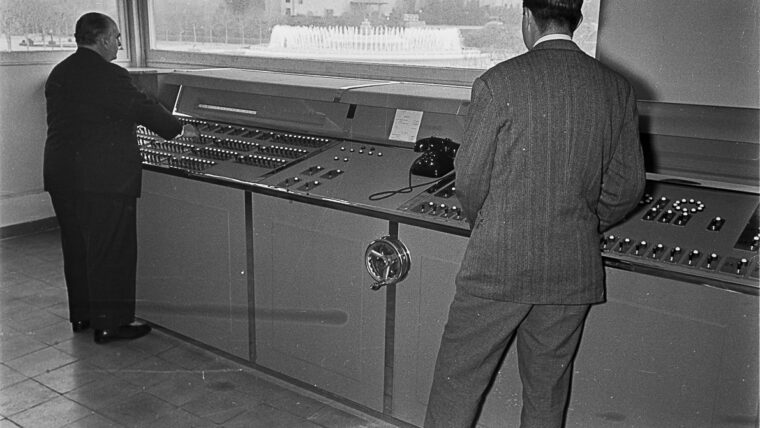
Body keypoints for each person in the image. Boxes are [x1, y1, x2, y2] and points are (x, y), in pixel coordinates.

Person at [424, 0, 646, 426]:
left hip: (496, 265)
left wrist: (492, 226)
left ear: (527, 18)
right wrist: (581, 222)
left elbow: (469, 180)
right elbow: (627, 187)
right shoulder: (616, 88)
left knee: (457, 383)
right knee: (546, 393)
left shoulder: (496, 83)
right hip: (571, 266)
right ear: (578, 20)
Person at [43, 12, 198, 344]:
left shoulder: (60, 72)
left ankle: (83, 316)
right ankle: (110, 325)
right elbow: (144, 109)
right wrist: (179, 128)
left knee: (77, 246)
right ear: (101, 40)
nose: (119, 43)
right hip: (102, 180)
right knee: (110, 250)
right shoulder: (110, 75)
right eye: (116, 37)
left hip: (61, 175)